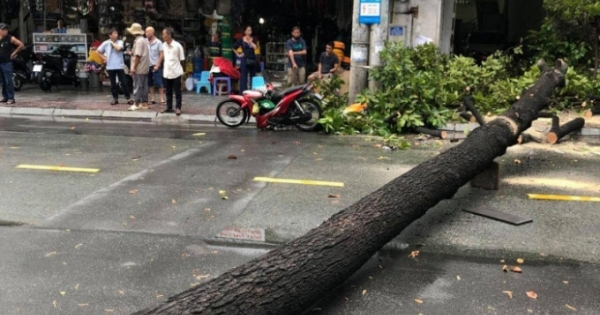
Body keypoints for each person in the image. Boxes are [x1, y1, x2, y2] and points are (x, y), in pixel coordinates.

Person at [97, 28, 133, 105]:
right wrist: (104, 58)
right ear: (110, 35)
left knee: (124, 82)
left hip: (119, 65)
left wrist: (112, 43)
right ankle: (115, 98)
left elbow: (119, 48)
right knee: (113, 84)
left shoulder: (120, 42)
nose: (116, 35)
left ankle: (128, 98)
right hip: (110, 66)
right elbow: (98, 51)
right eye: (114, 33)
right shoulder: (105, 43)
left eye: (116, 33)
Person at [161, 27, 185, 116]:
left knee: (177, 91)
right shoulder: (163, 45)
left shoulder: (178, 46)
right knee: (168, 91)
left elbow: (182, 59)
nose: (163, 36)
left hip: (176, 71)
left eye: (164, 34)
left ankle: (178, 107)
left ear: (169, 35)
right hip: (167, 71)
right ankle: (169, 107)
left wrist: (183, 72)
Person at [127, 23, 150, 111]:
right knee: (144, 85)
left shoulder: (139, 41)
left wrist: (133, 67)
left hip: (139, 67)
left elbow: (138, 56)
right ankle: (144, 103)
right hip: (144, 66)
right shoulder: (143, 40)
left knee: (137, 85)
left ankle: (136, 103)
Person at [0, 23, 24, 105]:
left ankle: (11, 97)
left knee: (8, 81)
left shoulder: (10, 38)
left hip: (7, 62)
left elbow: (21, 45)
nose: (5, 31)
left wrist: (14, 53)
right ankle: (5, 97)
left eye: (6, 29)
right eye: (3, 30)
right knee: (2, 81)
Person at [232, 25, 258, 93]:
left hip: (252, 58)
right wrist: (238, 54)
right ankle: (243, 92)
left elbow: (255, 47)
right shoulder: (241, 39)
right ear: (245, 31)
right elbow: (234, 47)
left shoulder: (253, 38)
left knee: (253, 76)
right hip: (244, 59)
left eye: (250, 30)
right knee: (243, 77)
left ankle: (253, 91)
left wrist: (250, 42)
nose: (249, 32)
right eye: (248, 30)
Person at [145, 26, 164, 105]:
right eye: (146, 32)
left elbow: (161, 54)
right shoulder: (145, 41)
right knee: (150, 83)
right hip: (147, 65)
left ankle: (162, 99)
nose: (146, 34)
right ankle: (153, 98)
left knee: (159, 82)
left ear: (152, 32)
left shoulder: (158, 42)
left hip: (155, 65)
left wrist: (158, 64)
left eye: (148, 32)